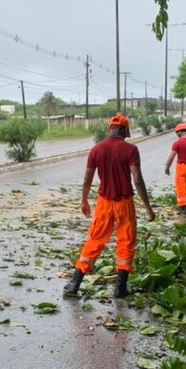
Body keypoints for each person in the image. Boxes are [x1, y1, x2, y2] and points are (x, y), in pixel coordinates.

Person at [63, 114, 156, 299]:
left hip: (104, 203)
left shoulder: (96, 149)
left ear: (109, 130)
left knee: (95, 240)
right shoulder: (131, 150)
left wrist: (84, 201)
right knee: (126, 242)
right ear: (126, 131)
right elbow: (137, 180)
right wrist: (148, 207)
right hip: (125, 203)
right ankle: (120, 288)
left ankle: (75, 283)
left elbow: (87, 180)